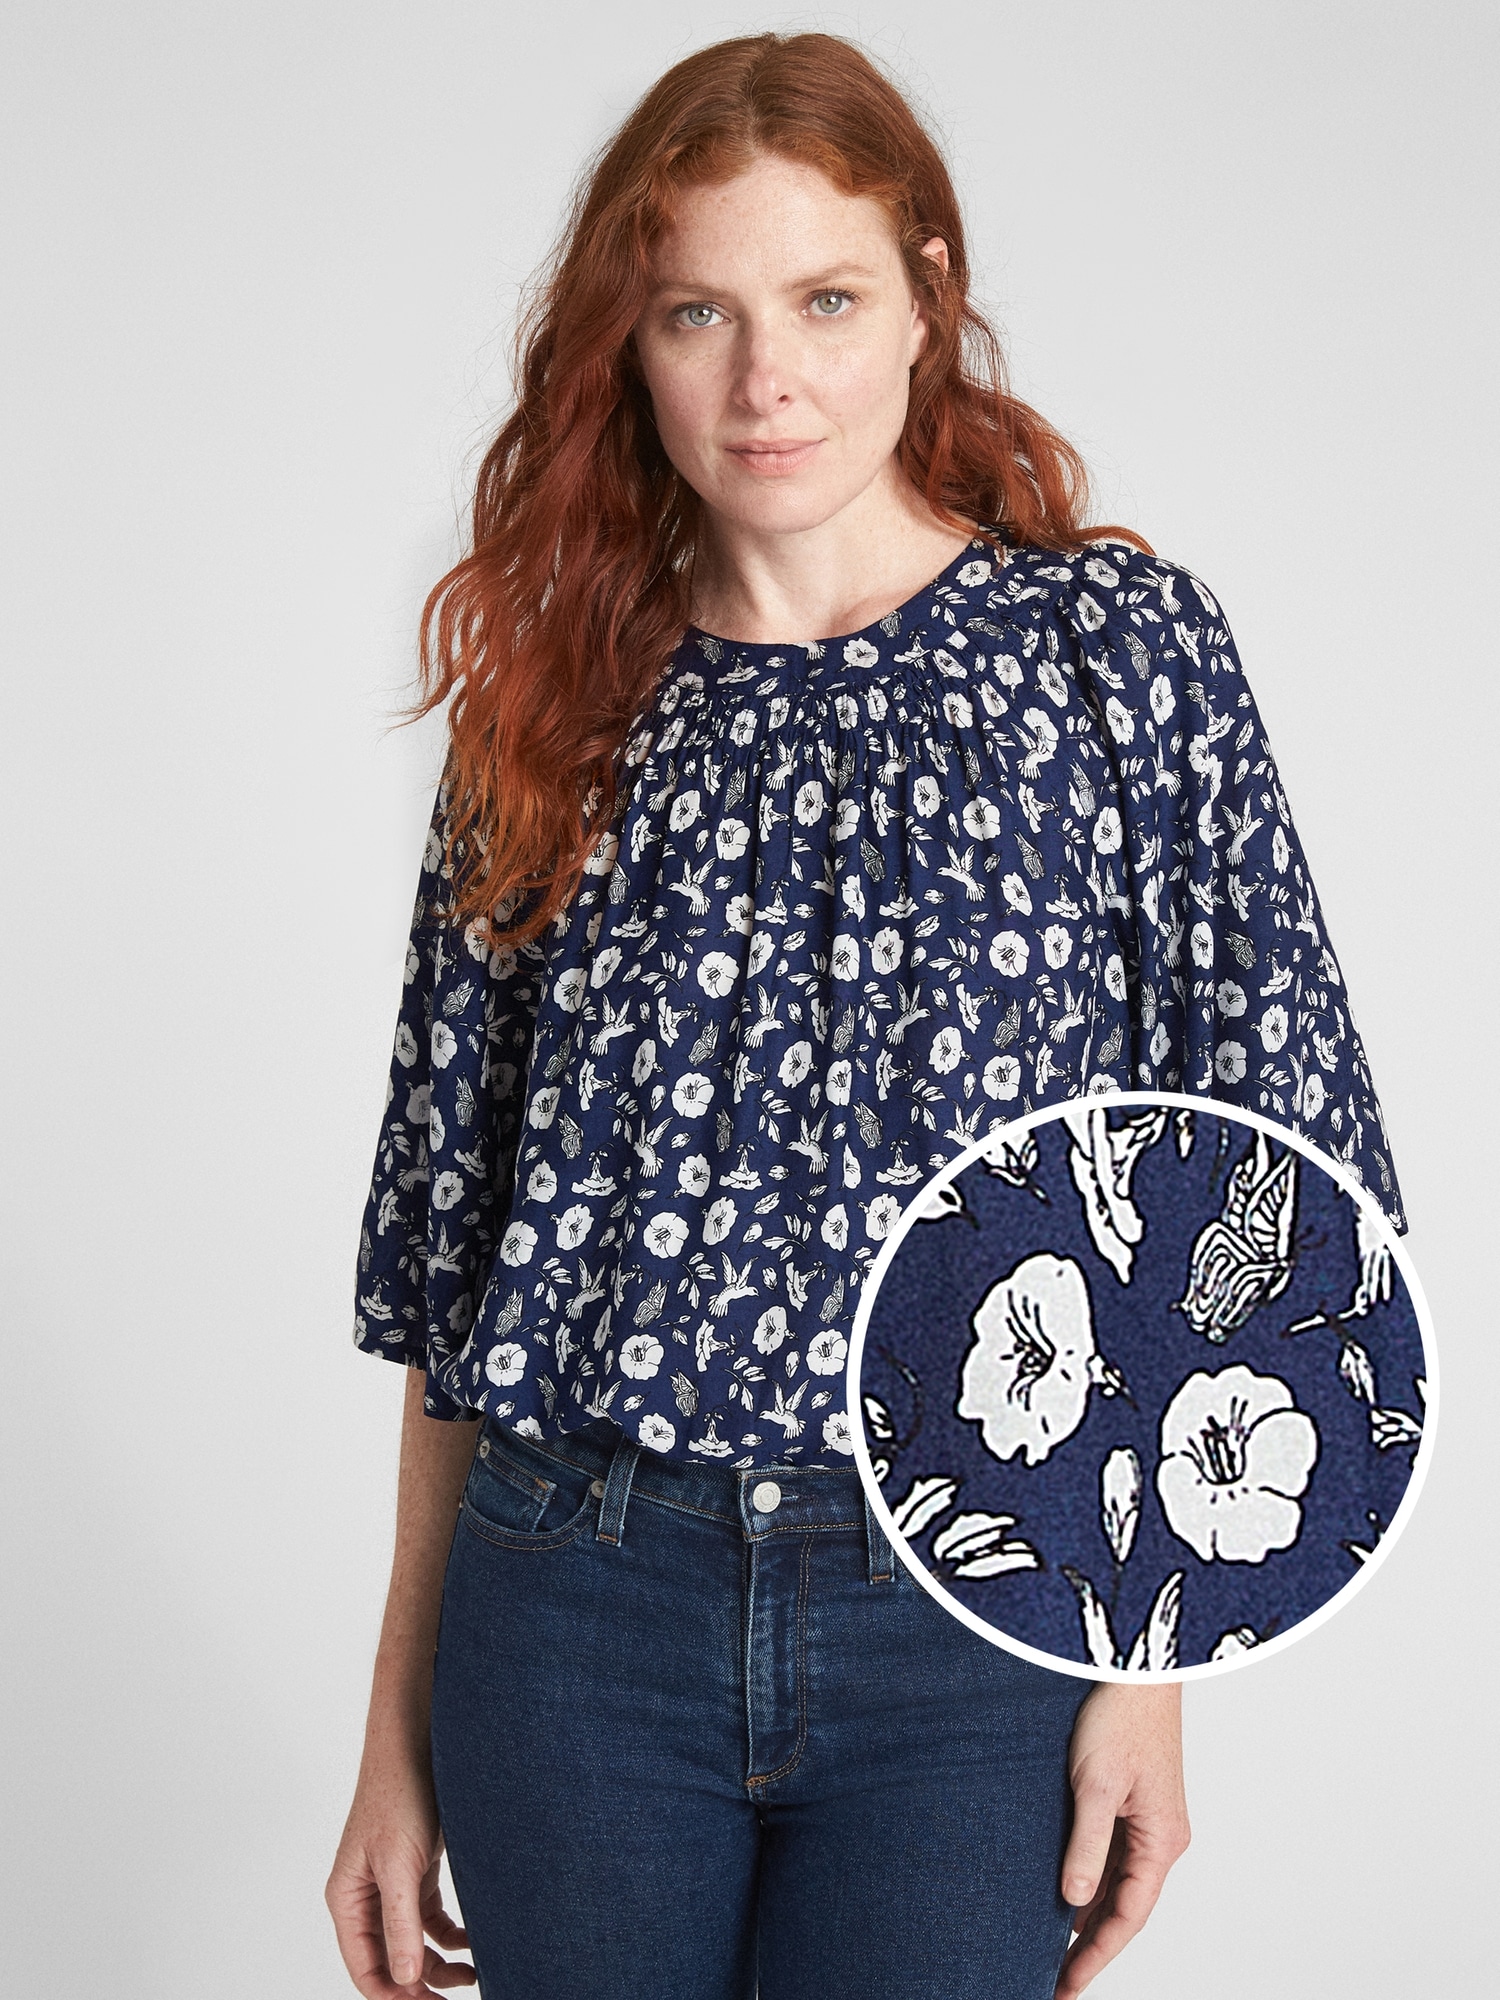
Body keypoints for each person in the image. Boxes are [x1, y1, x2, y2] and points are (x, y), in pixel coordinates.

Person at [326, 30, 1403, 2000]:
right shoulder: (550, 703)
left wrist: (1155, 1660)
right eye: (697, 314)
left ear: (925, 295)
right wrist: (393, 1733)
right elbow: (459, 1275)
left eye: (824, 300)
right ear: (630, 346)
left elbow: (1270, 1173)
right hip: (577, 1615)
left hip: (979, 1614)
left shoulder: (1116, 660)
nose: (767, 379)